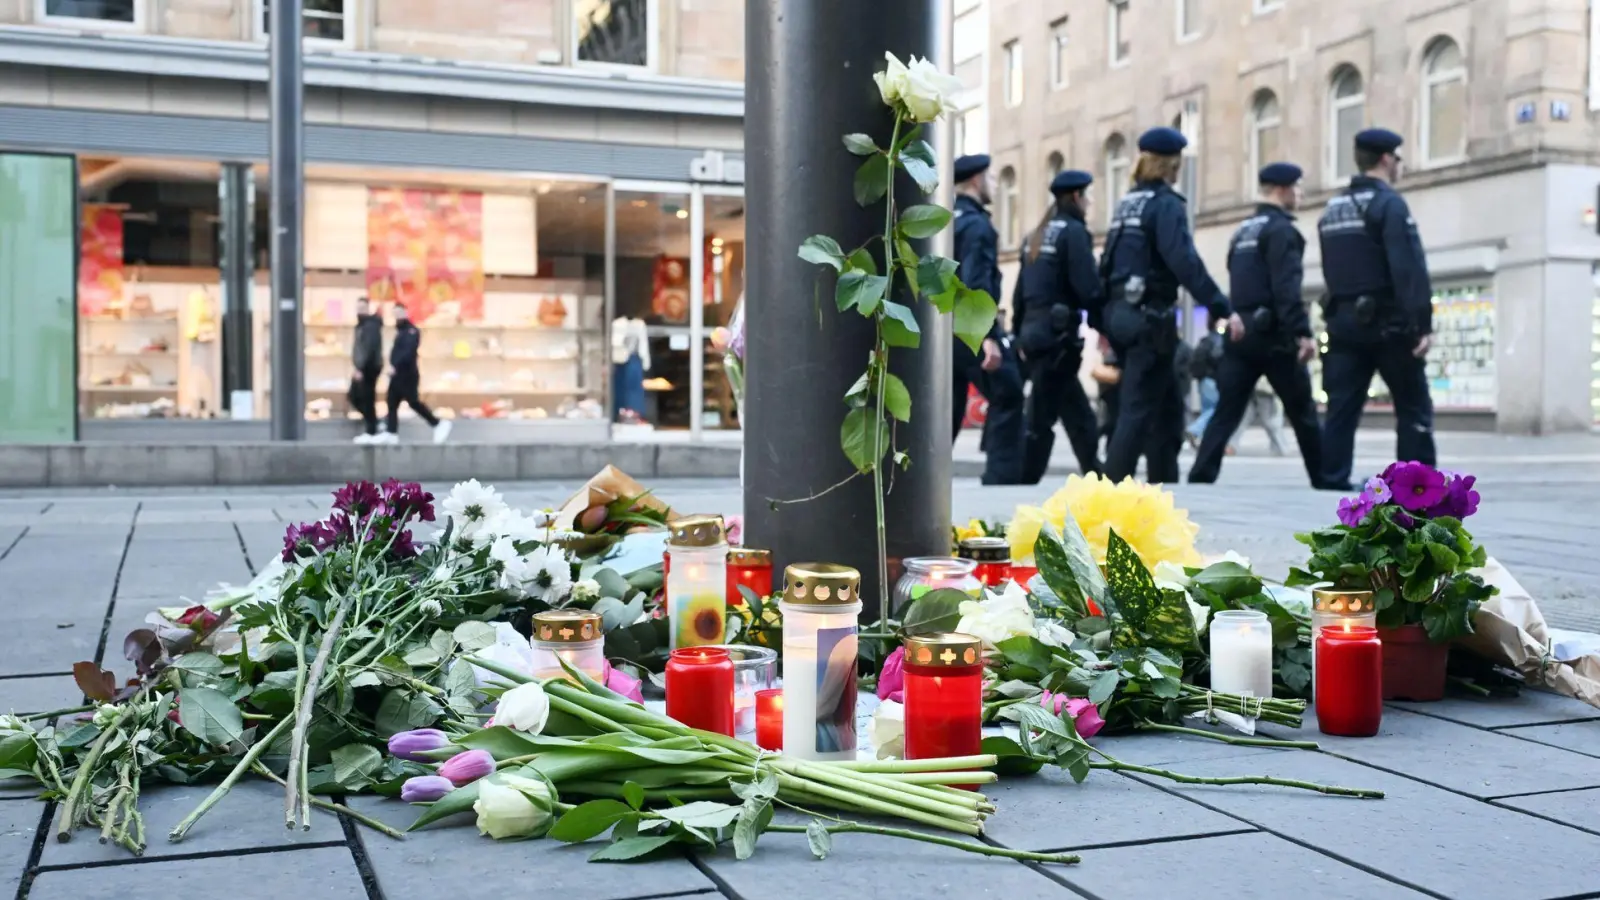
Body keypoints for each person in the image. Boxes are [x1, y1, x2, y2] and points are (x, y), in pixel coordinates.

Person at [1099, 126, 1235, 484]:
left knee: (1169, 410)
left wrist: (1104, 322)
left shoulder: (1126, 205)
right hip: (1149, 319)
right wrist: (1221, 305)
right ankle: (1110, 495)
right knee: (1137, 411)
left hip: (1123, 316)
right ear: (1171, 165)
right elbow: (1184, 261)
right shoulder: (1165, 205)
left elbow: (1107, 266)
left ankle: (1165, 488)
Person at [1188, 162, 1323, 485]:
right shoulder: (1282, 230)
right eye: (1298, 187)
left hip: (1242, 332)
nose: (1301, 193)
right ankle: (1327, 477)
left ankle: (1201, 476)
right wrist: (1302, 332)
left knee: (1226, 411)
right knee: (1302, 410)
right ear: (1282, 189)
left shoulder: (1243, 230)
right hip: (1274, 333)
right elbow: (1286, 287)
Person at [1316, 130, 1435, 490]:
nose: (1399, 167)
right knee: (1413, 406)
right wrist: (1421, 324)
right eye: (1398, 159)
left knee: (1341, 409)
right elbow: (1408, 267)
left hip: (1342, 325)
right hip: (1388, 325)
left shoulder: (1332, 209)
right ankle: (1417, 485)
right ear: (1386, 159)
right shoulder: (1390, 205)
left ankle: (1332, 480)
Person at [1015, 169, 1104, 482]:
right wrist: (1103, 316)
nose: (1090, 203)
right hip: (1057, 339)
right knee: (1044, 418)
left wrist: (1018, 335)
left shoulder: (1035, 236)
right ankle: (1023, 479)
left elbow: (1019, 295)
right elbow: (1088, 288)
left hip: (1035, 335)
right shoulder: (1073, 232)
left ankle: (1096, 476)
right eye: (1088, 196)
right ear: (1077, 197)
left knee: (1072, 412)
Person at [951, 153, 1026, 485]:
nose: (995, 185)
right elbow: (977, 282)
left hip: (944, 328)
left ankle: (923, 479)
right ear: (977, 181)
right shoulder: (978, 226)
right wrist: (989, 334)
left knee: (949, 409)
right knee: (1008, 389)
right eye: (992, 179)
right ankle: (999, 479)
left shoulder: (946, 220)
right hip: (970, 329)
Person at [380, 304, 452, 445]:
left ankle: (437, 423)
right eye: (395, 314)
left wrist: (396, 366)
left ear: (406, 313)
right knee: (391, 402)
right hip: (397, 375)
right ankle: (391, 432)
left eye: (399, 313)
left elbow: (408, 352)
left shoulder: (411, 331)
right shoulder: (400, 332)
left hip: (407, 375)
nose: (397, 316)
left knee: (413, 401)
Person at [348, 296, 385, 444]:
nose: (359, 311)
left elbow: (369, 349)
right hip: (364, 367)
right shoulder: (363, 325)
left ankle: (372, 430)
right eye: (358, 308)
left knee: (365, 398)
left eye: (362, 308)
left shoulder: (370, 325)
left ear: (367, 309)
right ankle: (374, 423)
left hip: (369, 368)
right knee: (356, 397)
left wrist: (361, 368)